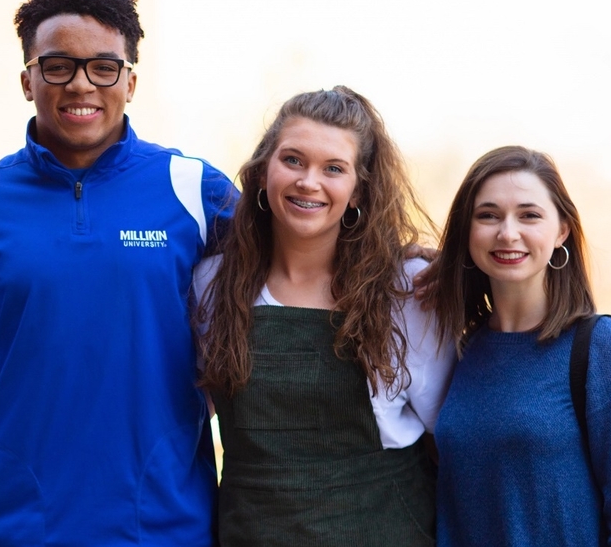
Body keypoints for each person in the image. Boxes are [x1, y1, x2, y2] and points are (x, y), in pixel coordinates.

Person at [0, 0, 237, 545]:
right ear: (28, 80)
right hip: (16, 524)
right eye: (58, 66)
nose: (81, 85)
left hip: (162, 523)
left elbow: (295, 278)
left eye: (103, 67)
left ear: (130, 80)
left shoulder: (193, 190)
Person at [194, 86, 455, 546]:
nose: (308, 182)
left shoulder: (406, 291)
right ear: (262, 172)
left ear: (358, 191)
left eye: (333, 169)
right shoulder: (212, 285)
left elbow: (453, 441)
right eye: (292, 160)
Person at [429, 146, 610, 545]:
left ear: (561, 229)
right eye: (488, 215)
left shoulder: (598, 347)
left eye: (529, 215)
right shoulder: (461, 349)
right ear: (468, 231)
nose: (507, 233)